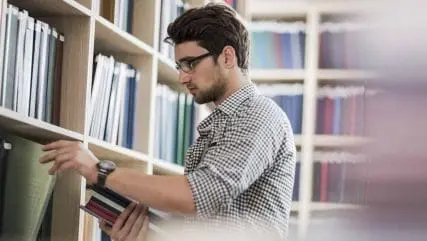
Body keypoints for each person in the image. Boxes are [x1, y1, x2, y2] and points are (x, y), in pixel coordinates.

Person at [38, 3, 297, 240]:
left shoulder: (258, 115)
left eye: (190, 64)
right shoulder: (222, 123)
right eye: (179, 66)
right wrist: (145, 232)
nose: (183, 78)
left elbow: (199, 195)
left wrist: (101, 172)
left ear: (228, 57)